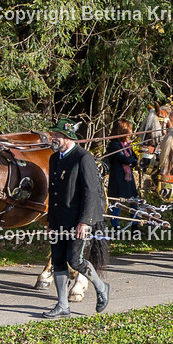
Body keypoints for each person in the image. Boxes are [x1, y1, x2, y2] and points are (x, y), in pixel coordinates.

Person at [43, 118, 110, 319]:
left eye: (57, 135)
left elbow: (91, 192)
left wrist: (85, 221)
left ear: (68, 137)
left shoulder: (84, 158)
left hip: (78, 221)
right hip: (58, 221)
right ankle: (62, 305)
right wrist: (50, 221)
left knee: (76, 260)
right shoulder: (54, 159)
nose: (53, 138)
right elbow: (53, 192)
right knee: (58, 261)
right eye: (53, 134)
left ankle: (101, 287)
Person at [105, 118, 138, 229]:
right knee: (117, 204)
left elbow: (135, 160)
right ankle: (116, 227)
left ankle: (135, 225)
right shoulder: (114, 145)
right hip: (118, 179)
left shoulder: (127, 145)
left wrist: (132, 160)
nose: (130, 134)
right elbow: (127, 160)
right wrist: (131, 160)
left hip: (128, 179)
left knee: (134, 201)